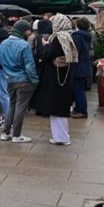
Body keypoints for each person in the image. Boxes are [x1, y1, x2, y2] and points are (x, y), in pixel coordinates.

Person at [37, 14, 79, 145]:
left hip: (55, 77)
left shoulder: (57, 38)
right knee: (59, 106)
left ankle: (61, 137)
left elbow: (47, 55)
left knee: (56, 107)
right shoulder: (69, 36)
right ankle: (59, 136)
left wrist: (45, 45)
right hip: (64, 76)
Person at [0, 19, 39, 143]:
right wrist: (35, 81)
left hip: (9, 79)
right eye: (28, 30)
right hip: (24, 80)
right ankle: (17, 135)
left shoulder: (3, 43)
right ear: (24, 31)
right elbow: (29, 66)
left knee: (12, 106)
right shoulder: (24, 45)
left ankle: (5, 133)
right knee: (20, 108)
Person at [71, 17, 93, 119]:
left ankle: (81, 110)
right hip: (85, 66)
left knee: (78, 89)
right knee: (80, 89)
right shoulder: (87, 36)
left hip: (78, 66)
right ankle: (79, 108)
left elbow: (75, 52)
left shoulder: (77, 37)